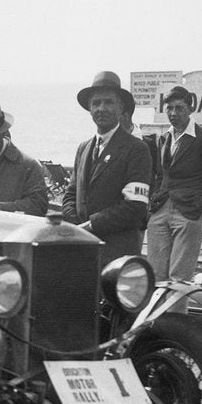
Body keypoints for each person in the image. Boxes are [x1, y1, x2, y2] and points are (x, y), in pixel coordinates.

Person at [61, 72, 153, 265]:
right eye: (96, 103)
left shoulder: (137, 149)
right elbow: (71, 194)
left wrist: (91, 225)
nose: (101, 109)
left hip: (116, 256)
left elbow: (135, 207)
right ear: (89, 108)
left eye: (108, 102)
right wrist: (76, 227)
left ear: (121, 108)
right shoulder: (83, 148)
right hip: (80, 250)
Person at [146, 85, 202, 303]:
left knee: (178, 281)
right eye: (169, 108)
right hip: (160, 211)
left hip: (188, 214)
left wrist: (198, 206)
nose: (173, 113)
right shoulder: (165, 138)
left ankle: (174, 332)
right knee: (156, 277)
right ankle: (156, 329)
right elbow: (161, 175)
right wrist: (155, 200)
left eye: (179, 108)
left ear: (190, 109)